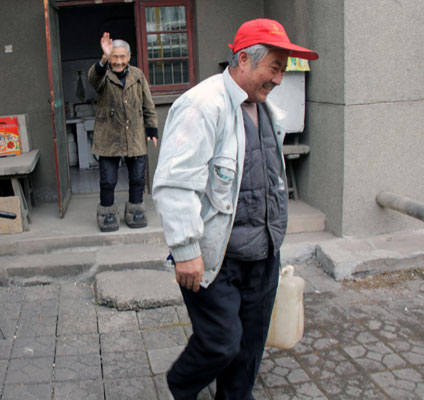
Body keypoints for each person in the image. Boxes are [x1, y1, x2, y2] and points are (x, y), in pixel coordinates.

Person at [152, 19, 318, 399]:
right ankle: (182, 383)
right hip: (217, 256)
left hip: (263, 255)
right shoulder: (202, 105)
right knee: (222, 343)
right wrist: (186, 250)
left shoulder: (265, 109)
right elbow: (174, 184)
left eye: (283, 69)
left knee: (249, 350)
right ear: (244, 59)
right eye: (274, 67)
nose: (279, 79)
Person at [88, 32, 158, 232]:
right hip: (108, 136)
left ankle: (135, 210)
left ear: (128, 57)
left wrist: (152, 128)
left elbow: (148, 103)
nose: (118, 61)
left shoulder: (137, 75)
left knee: (137, 177)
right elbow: (93, 79)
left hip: (134, 134)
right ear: (109, 58)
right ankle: (107, 213)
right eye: (114, 57)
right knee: (108, 179)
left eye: (122, 57)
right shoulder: (103, 75)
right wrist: (103, 57)